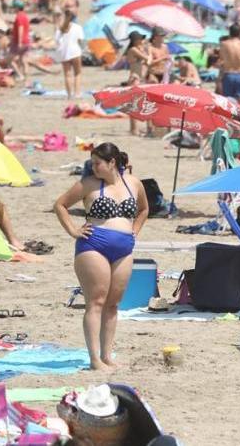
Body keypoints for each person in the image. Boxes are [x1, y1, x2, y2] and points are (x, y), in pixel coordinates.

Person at [53, 143, 149, 371]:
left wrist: (134, 230)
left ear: (112, 162)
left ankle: (107, 356)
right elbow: (60, 205)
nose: (92, 167)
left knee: (113, 305)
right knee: (95, 302)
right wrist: (73, 230)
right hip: (93, 245)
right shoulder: (88, 184)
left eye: (97, 163)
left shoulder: (133, 182)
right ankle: (94, 359)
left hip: (124, 248)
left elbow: (144, 209)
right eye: (92, 163)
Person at [54, 10, 84, 99]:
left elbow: (57, 41)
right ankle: (77, 93)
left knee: (67, 75)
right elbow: (80, 40)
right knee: (77, 73)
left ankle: (69, 95)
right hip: (75, 52)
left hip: (64, 53)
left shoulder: (60, 29)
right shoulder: (78, 27)